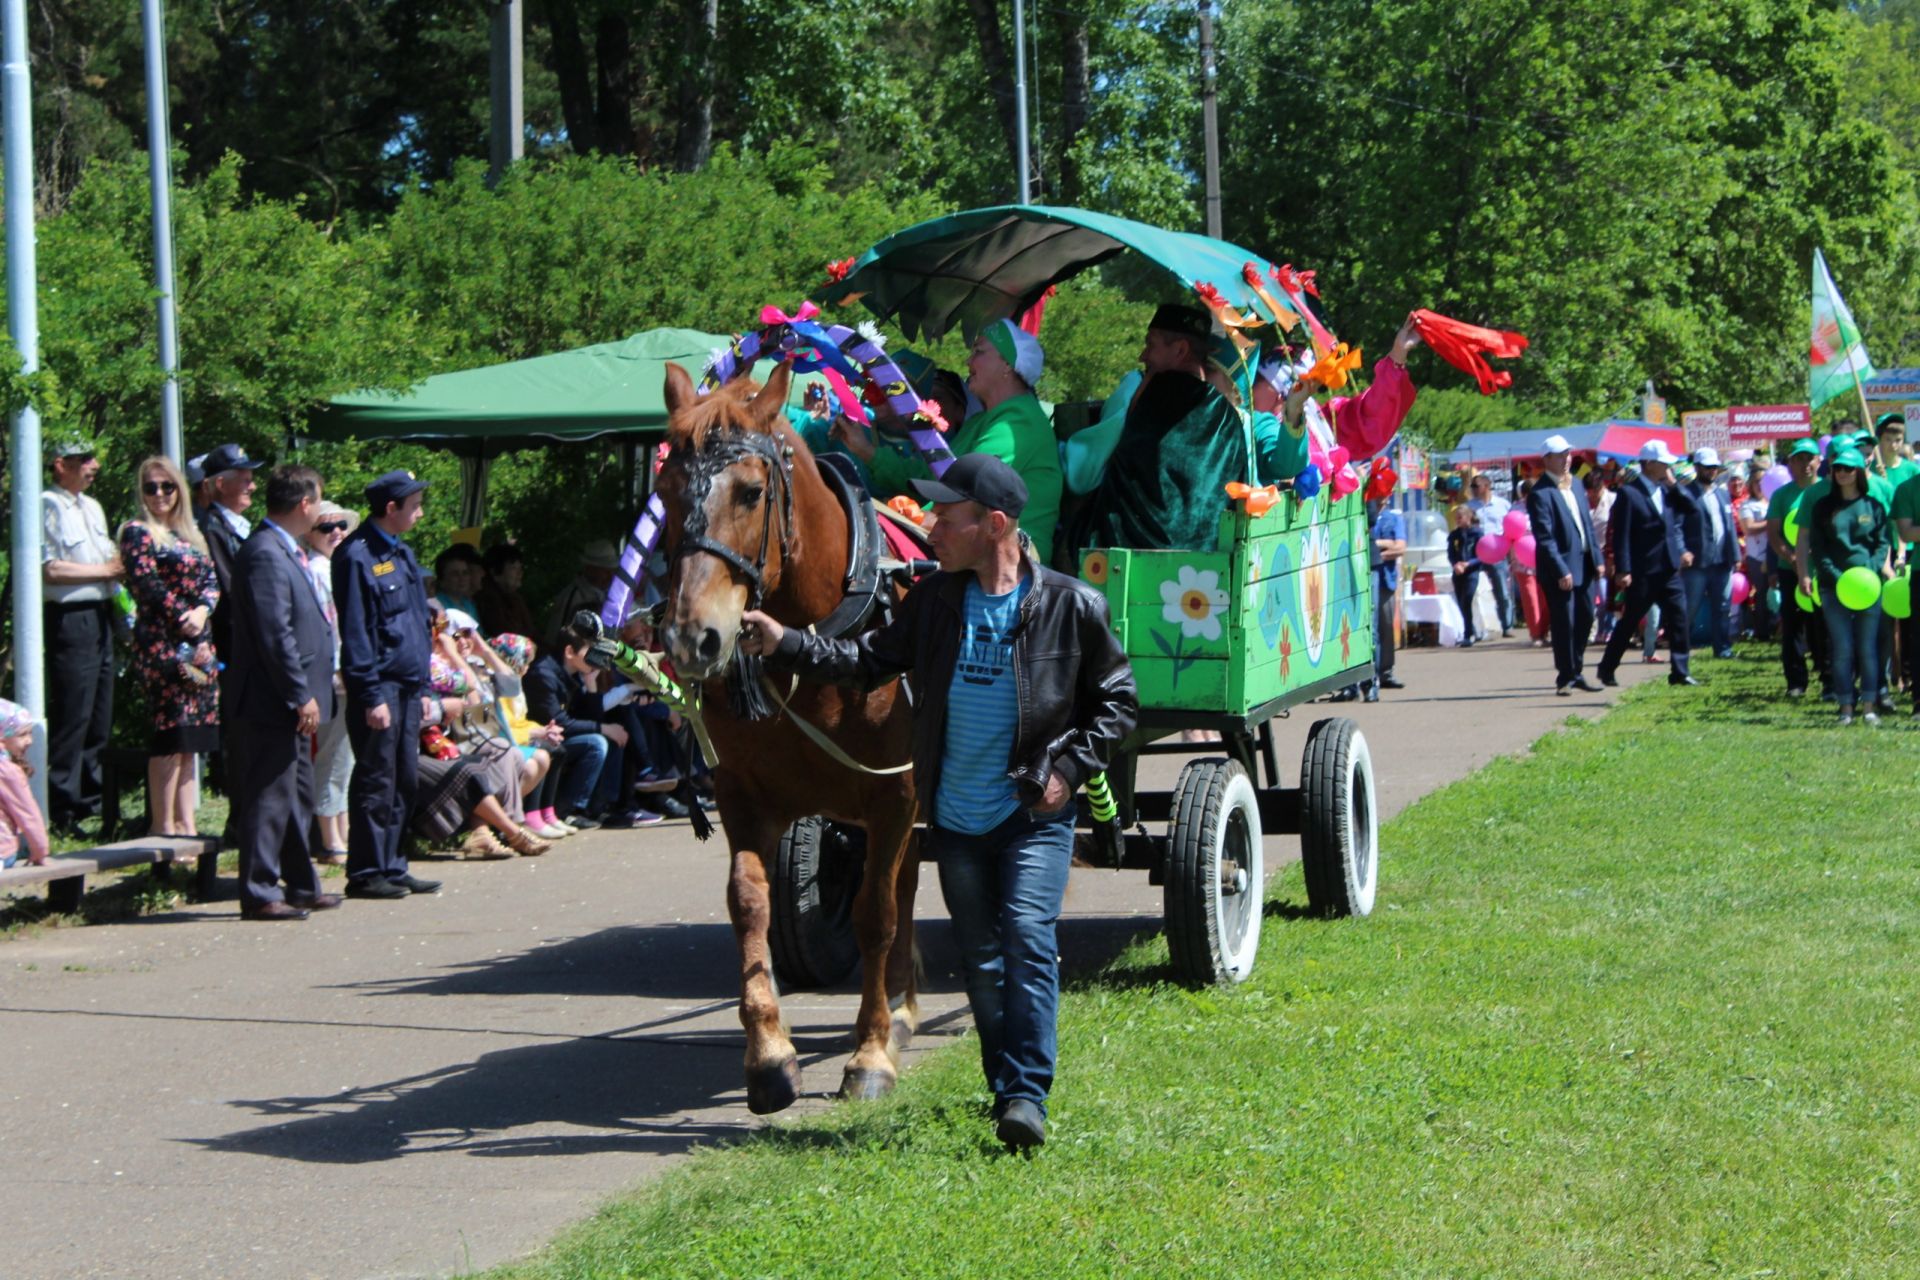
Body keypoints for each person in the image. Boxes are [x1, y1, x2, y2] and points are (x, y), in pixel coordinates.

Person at [739, 453, 1137, 1152]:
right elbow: (863, 662)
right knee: (981, 960)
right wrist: (787, 643)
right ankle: (1004, 1088)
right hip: (955, 818)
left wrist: (1068, 771)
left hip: (1032, 816)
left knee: (1027, 939)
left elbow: (1117, 701)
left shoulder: (1072, 607)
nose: (930, 529)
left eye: (947, 517)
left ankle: (1026, 1094)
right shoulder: (934, 604)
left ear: (995, 525)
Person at [225, 465, 343, 920]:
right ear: (304, 504)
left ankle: (300, 883)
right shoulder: (265, 553)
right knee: (268, 796)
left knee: (296, 796)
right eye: (319, 500)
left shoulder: (284, 548)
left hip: (290, 699)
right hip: (270, 699)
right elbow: (274, 632)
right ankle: (258, 891)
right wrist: (299, 694)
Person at [847, 319, 1064, 563]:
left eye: (978, 351)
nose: (968, 361)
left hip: (1015, 560)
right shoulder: (981, 421)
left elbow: (971, 488)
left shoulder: (1019, 421)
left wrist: (921, 516)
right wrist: (865, 450)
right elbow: (932, 474)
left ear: (1007, 364)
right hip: (972, 542)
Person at [1065, 304, 1251, 560]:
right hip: (1203, 572)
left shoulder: (1139, 395)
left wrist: (1060, 450)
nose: (1143, 356)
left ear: (1180, 350)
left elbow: (1081, 473)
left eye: (1151, 344)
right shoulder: (1228, 416)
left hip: (1120, 558)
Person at [332, 470, 442, 901]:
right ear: (390, 508)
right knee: (376, 779)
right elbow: (357, 633)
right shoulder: (357, 556)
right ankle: (365, 870)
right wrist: (370, 694)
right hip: (380, 685)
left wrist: (426, 684)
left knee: (404, 779)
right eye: (413, 505)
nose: (420, 512)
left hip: (409, 683)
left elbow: (416, 622)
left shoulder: (403, 554)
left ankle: (393, 865)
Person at [118, 455, 221, 837]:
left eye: (167, 486)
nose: (160, 494)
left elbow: (212, 581)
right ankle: (163, 827)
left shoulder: (190, 535)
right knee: (170, 731)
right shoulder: (137, 532)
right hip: (162, 646)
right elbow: (149, 585)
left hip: (200, 646)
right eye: (151, 487)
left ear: (180, 490)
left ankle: (187, 825)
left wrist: (202, 611)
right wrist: (185, 618)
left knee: (192, 738)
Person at [41, 437, 124, 833]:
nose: (93, 465)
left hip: (102, 612)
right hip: (70, 616)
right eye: (84, 460)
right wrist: (105, 572)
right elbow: (50, 570)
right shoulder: (46, 504)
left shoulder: (92, 506)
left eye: (93, 458)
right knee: (73, 712)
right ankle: (62, 809)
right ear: (61, 464)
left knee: (99, 713)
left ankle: (94, 804)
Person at [523, 629, 662, 829]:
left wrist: (591, 685)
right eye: (590, 651)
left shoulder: (574, 672)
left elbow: (588, 714)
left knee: (615, 733)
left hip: (561, 738)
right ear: (570, 652)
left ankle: (605, 806)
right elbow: (561, 722)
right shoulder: (544, 674)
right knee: (596, 742)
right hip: (542, 739)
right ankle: (570, 810)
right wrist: (603, 728)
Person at [1597, 441, 1696, 688]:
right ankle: (1607, 667)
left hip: (1669, 567)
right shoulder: (1629, 494)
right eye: (1663, 463)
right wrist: (1623, 569)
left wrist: (1674, 485)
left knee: (1679, 618)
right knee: (1630, 620)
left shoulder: (1666, 490)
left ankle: (1680, 671)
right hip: (1643, 570)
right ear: (1649, 464)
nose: (1668, 467)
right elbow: (1621, 535)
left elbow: (1692, 508)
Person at [1806, 447, 1893, 725]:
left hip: (1868, 588)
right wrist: (1836, 576)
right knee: (1842, 648)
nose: (1842, 473)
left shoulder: (1873, 507)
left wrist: (1869, 572)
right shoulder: (1823, 507)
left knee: (1867, 647)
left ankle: (1869, 706)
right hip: (1833, 587)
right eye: (1837, 468)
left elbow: (1882, 543)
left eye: (1848, 468)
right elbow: (1817, 549)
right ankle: (1845, 707)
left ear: (1859, 472)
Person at [302, 501, 357, 863]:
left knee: (345, 755)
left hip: (345, 667)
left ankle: (343, 829)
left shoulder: (336, 566)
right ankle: (329, 836)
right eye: (326, 527)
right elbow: (328, 627)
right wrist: (339, 668)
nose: (335, 531)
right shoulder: (317, 569)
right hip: (332, 671)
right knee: (333, 754)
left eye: (340, 525)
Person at [1526, 435, 1603, 694]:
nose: (1566, 459)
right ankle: (1565, 677)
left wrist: (1598, 559)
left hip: (1584, 563)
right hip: (1560, 570)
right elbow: (1544, 538)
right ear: (1547, 459)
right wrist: (1561, 569)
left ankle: (1577, 670)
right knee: (1564, 623)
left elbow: (1587, 526)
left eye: (1568, 454)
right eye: (1560, 455)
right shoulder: (1540, 493)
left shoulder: (1577, 486)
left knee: (1585, 618)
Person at [487, 633, 574, 838]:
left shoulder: (517, 685)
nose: (527, 668)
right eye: (524, 662)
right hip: (504, 742)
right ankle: (529, 814)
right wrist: (538, 733)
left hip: (519, 738)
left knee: (556, 749)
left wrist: (545, 729)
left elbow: (521, 720)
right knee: (543, 750)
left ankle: (546, 811)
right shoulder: (499, 687)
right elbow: (504, 728)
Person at [192, 442, 264, 664]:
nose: (252, 487)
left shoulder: (232, 525)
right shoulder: (213, 530)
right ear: (221, 484)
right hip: (235, 644)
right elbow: (232, 590)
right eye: (246, 480)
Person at [1678, 448, 1739, 659]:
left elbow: (1729, 525)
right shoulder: (1686, 493)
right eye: (1707, 467)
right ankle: (1681, 647)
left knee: (1723, 606)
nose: (1712, 471)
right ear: (1697, 468)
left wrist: (1736, 555)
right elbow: (1677, 527)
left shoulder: (1722, 493)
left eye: (1714, 467)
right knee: (1690, 607)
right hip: (1697, 562)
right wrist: (1682, 551)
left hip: (1723, 560)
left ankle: (1722, 648)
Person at [1364, 494, 1407, 700]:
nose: (1381, 495)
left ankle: (1386, 671)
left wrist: (1376, 549)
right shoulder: (1365, 508)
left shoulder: (1393, 517)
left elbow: (1400, 547)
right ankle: (1372, 676)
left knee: (1386, 626)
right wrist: (1385, 544)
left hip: (1385, 578)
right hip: (1370, 574)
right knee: (1371, 629)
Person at [0, 700, 50, 870]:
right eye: (22, 734)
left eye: (30, 733)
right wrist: (40, 850)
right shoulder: (8, 772)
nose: (30, 740)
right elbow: (28, 813)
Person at [546, 541, 620, 651]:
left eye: (611, 570)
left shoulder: (611, 595)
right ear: (590, 569)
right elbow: (557, 637)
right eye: (605, 570)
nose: (610, 575)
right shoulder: (572, 597)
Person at [1467, 473, 1514, 636]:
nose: (1472, 489)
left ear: (1486, 486)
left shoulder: (1503, 505)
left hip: (1497, 552)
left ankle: (1507, 625)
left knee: (1502, 590)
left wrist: (1511, 551)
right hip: (1475, 552)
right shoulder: (1470, 506)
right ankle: (1474, 629)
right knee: (1471, 590)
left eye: (1476, 486)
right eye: (1472, 486)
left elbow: (1510, 527)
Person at [475, 542, 540, 639]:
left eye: (520, 568)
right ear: (495, 573)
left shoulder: (515, 598)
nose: (520, 573)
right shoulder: (488, 599)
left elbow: (532, 633)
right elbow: (507, 636)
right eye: (513, 568)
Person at [1737, 465, 1772, 641]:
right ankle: (1762, 632)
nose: (1760, 485)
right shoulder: (1747, 505)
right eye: (1757, 481)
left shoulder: (1773, 500)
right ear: (1750, 484)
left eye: (1763, 481)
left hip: (1776, 554)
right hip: (1757, 557)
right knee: (1762, 594)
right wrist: (1772, 522)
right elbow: (1748, 528)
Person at [1446, 504, 1482, 647]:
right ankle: (1471, 629)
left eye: (1460, 517)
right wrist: (1455, 564)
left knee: (1467, 599)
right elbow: (1451, 553)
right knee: (1461, 602)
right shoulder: (1454, 535)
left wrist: (1469, 564)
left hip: (1472, 571)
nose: (1458, 520)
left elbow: (1482, 554)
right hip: (1458, 572)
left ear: (1468, 517)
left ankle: (1469, 634)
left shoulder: (1477, 534)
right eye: (1456, 518)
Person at [432, 543, 483, 617]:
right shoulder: (438, 604)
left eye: (465, 573)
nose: (462, 578)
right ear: (442, 580)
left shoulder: (469, 605)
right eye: (455, 574)